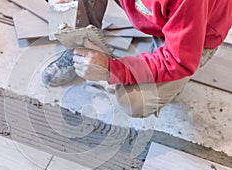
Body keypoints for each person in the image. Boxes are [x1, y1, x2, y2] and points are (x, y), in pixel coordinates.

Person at [72, 0, 232, 117]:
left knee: (133, 100)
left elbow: (177, 61)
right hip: (163, 13)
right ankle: (80, 50)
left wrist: (111, 69)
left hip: (195, 33)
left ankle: (173, 82)